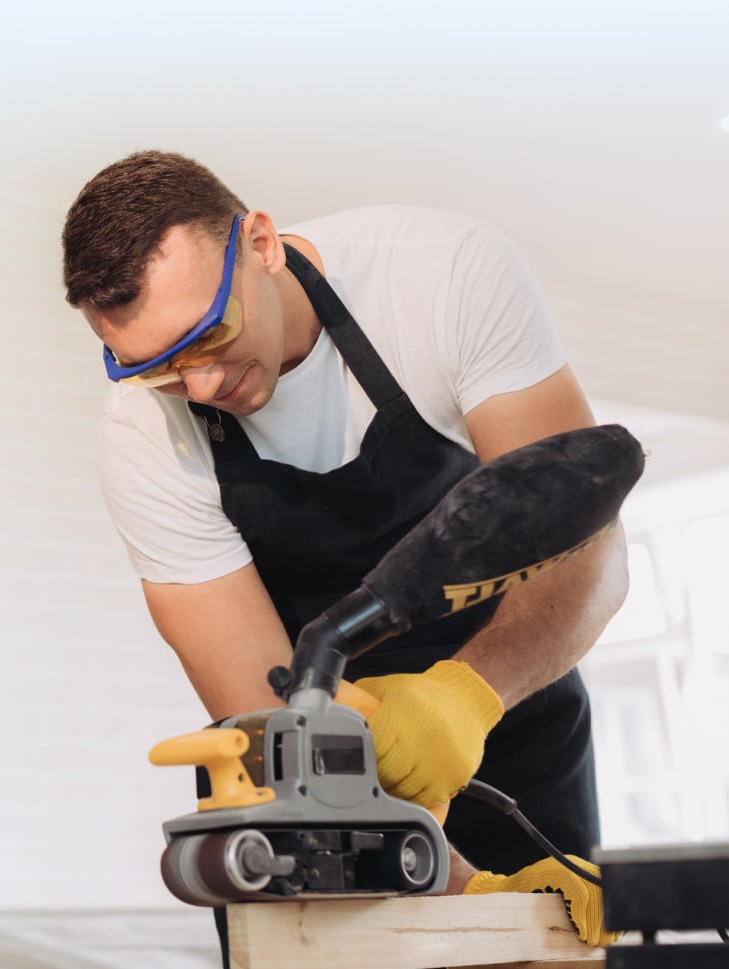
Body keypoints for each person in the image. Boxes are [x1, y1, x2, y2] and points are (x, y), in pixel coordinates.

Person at [60, 150, 629, 955]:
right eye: (157, 367)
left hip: (512, 714)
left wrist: (467, 696)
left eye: (210, 335)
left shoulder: (441, 277)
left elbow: (588, 548)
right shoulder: (141, 440)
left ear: (261, 243)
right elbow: (265, 715)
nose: (202, 384)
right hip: (315, 779)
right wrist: (468, 891)